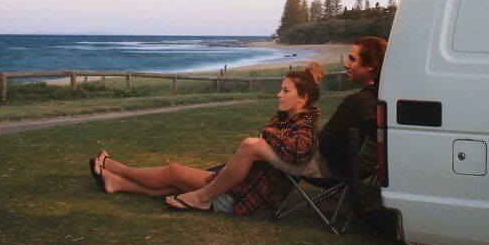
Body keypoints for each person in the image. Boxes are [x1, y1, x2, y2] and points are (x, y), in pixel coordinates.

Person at [89, 63, 323, 215]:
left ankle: (115, 168)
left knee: (173, 172)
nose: (278, 94)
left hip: (242, 195)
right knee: (173, 184)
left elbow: (300, 149)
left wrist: (270, 134)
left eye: (285, 91)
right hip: (239, 186)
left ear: (302, 100)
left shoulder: (306, 128)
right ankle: (116, 183)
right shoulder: (292, 120)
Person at [318, 37, 386, 178]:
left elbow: (325, 142)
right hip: (364, 168)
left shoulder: (357, 103)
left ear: (370, 65)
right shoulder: (385, 98)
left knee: (270, 149)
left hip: (337, 169)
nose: (346, 64)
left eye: (352, 59)